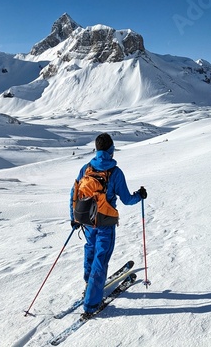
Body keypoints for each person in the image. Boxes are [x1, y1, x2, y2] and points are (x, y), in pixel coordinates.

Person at [69, 133, 147, 316]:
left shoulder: (86, 168)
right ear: (111, 150)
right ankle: (91, 303)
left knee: (90, 248)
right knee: (101, 258)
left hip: (87, 220)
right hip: (105, 222)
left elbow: (74, 192)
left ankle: (90, 284)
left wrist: (74, 217)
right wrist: (140, 196)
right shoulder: (115, 172)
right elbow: (127, 200)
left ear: (97, 150)